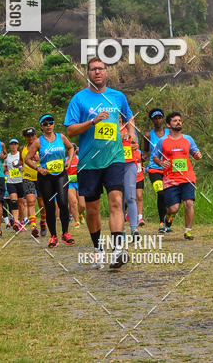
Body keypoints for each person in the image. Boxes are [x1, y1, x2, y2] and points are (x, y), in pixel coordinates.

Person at [64, 57, 136, 269]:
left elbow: (129, 118)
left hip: (114, 158)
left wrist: (131, 133)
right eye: (93, 69)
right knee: (93, 209)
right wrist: (92, 122)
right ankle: (97, 248)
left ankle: (117, 250)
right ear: (88, 73)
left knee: (116, 200)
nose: (97, 72)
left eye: (101, 69)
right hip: (88, 162)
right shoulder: (79, 99)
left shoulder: (117, 97)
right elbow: (70, 130)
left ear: (106, 72)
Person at [24, 114, 74, 248]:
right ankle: (53, 236)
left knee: (63, 203)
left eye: (50, 122)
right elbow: (27, 159)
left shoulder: (61, 137)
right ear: (41, 126)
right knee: (50, 206)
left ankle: (65, 233)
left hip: (61, 174)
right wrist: (38, 168)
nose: (48, 126)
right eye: (45, 124)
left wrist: (69, 160)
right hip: (46, 177)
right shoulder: (38, 142)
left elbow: (71, 148)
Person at [153, 112, 202, 240]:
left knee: (189, 203)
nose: (178, 122)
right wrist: (161, 162)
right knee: (174, 208)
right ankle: (168, 216)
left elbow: (195, 152)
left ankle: (188, 231)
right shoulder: (162, 141)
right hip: (170, 179)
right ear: (168, 124)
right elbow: (155, 156)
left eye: (180, 120)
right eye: (175, 121)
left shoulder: (188, 139)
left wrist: (197, 155)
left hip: (187, 177)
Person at [142, 108, 169, 232]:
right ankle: (161, 222)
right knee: (161, 193)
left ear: (163, 119)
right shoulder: (148, 135)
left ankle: (168, 219)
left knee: (170, 195)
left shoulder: (170, 133)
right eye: (155, 118)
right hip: (154, 169)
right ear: (152, 120)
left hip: (169, 169)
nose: (158, 120)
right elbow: (146, 150)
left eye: (160, 117)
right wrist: (143, 156)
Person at [21, 127, 47, 237]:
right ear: (25, 137)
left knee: (42, 203)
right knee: (31, 201)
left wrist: (39, 159)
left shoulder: (41, 147)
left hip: (40, 177)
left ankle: (43, 222)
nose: (30, 138)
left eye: (32, 135)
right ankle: (33, 226)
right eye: (28, 136)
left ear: (35, 135)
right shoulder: (23, 149)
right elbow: (21, 161)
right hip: (27, 177)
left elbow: (48, 159)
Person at [120, 118, 143, 238]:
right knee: (119, 200)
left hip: (130, 165)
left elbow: (136, 145)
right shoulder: (109, 127)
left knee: (131, 197)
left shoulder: (130, 128)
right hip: (115, 166)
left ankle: (134, 229)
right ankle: (121, 230)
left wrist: (136, 145)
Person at [5, 138, 25, 231]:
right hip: (10, 182)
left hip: (20, 181)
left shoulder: (20, 155)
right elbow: (4, 167)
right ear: (9, 146)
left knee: (21, 203)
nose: (13, 146)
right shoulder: (7, 157)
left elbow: (25, 165)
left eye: (15, 144)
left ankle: (21, 222)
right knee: (14, 202)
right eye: (11, 144)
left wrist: (22, 168)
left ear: (17, 145)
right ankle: (16, 222)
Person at [66, 144, 86, 229]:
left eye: (71, 150)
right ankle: (76, 220)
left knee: (82, 205)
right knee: (73, 202)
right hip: (70, 183)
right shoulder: (65, 160)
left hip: (79, 182)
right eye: (68, 150)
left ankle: (80, 214)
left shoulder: (79, 158)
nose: (69, 151)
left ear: (74, 150)